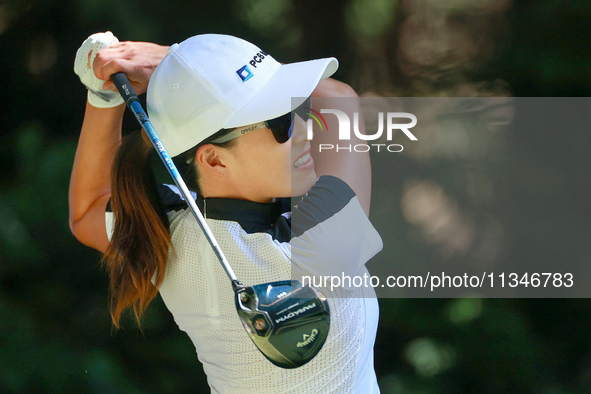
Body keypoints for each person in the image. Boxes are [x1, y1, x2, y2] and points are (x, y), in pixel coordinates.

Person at [69, 32, 383, 393]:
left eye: (296, 111)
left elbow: (90, 207)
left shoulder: (167, 233)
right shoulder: (317, 249)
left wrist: (105, 95)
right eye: (281, 123)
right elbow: (338, 98)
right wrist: (169, 63)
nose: (306, 130)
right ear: (214, 159)